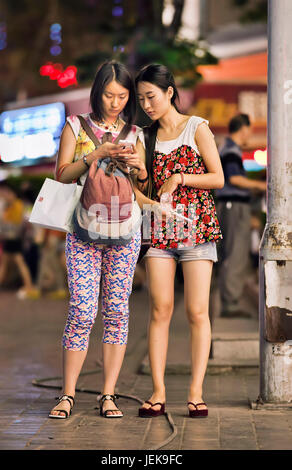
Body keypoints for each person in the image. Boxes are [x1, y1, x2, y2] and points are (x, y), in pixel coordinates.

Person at [49, 60, 153, 419]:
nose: (116, 102)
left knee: (117, 312)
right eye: (109, 95)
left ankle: (108, 395)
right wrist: (95, 155)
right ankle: (67, 394)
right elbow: (61, 176)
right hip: (83, 230)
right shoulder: (75, 126)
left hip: (124, 231)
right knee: (81, 310)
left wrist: (137, 167)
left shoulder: (136, 133)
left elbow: (140, 188)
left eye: (123, 96)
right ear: (97, 93)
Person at [135, 64, 224, 418]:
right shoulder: (144, 137)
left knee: (197, 312)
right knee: (160, 309)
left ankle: (196, 393)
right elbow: (140, 189)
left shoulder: (197, 127)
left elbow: (217, 178)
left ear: (170, 92)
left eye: (151, 97)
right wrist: (141, 180)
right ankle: (158, 392)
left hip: (198, 229)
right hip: (159, 232)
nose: (146, 105)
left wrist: (181, 177)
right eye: (141, 99)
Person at [215, 114, 266, 318]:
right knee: (236, 252)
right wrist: (261, 185)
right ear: (243, 128)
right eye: (250, 129)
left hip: (230, 206)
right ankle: (231, 303)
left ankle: (230, 300)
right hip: (233, 207)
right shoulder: (231, 150)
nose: (250, 133)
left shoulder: (227, 148)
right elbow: (235, 179)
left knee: (232, 252)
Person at [0, 182, 38, 300]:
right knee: (9, 263)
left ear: (13, 194)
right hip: (11, 239)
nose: (5, 195)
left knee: (17, 263)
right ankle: (28, 287)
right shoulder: (11, 205)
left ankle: (28, 288)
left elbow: (16, 223)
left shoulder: (17, 205)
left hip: (14, 239)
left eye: (8, 193)